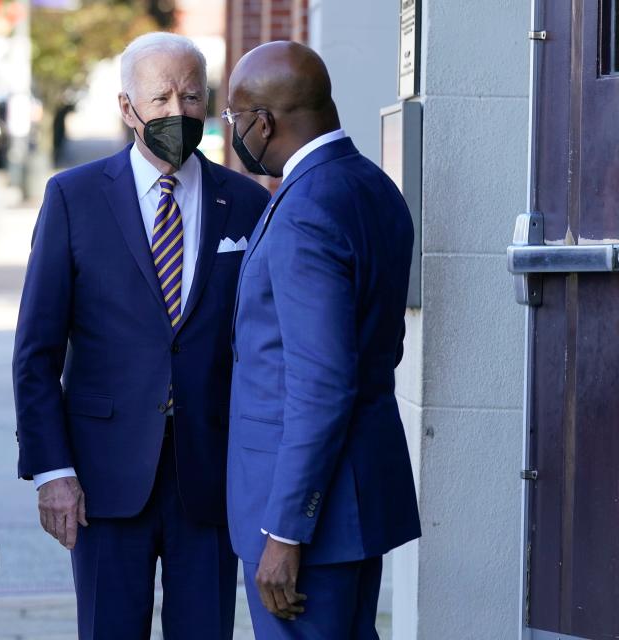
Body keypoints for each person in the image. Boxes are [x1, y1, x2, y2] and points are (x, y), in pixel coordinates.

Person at [13, 32, 270, 640]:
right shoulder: (73, 198)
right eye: (160, 98)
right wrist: (52, 471)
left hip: (210, 477)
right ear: (127, 107)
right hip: (103, 479)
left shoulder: (247, 202)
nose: (177, 111)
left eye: (191, 95)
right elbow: (36, 351)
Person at [225, 41, 421, 638]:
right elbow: (378, 348)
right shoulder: (373, 186)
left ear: (263, 121)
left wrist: (285, 530)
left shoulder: (305, 207)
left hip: (309, 517)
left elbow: (321, 384)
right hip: (355, 497)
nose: (234, 133)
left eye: (234, 119)